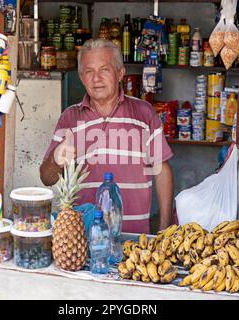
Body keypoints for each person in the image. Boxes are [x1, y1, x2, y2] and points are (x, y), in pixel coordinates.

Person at [40, 39, 174, 234]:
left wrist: (165, 227)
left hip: (135, 238)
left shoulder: (143, 113)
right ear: (81, 77)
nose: (96, 78)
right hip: (82, 238)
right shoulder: (70, 117)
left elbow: (162, 171)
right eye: (89, 71)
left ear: (120, 73)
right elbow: (46, 178)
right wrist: (55, 160)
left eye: (104, 69)